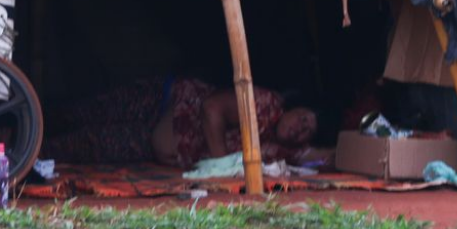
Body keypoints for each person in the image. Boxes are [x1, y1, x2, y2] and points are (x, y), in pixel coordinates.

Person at [42, 77, 318, 169]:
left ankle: (15, 151)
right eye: (303, 118)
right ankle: (12, 125)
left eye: (306, 131)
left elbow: (323, 157)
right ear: (294, 106)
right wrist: (221, 165)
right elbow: (212, 108)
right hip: (160, 103)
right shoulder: (266, 105)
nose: (299, 128)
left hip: (154, 143)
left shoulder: (277, 149)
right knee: (80, 114)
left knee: (86, 145)